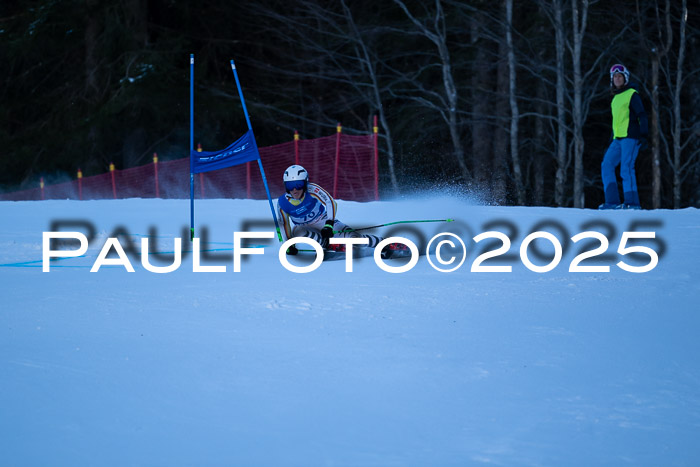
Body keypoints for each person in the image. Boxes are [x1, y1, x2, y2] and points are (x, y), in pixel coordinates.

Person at [278, 164, 402, 257]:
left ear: (305, 183)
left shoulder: (313, 190)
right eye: (290, 186)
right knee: (298, 231)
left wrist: (329, 224)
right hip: (306, 229)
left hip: (322, 221)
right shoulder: (282, 203)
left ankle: (386, 244)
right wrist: (289, 244)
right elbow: (284, 224)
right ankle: (327, 245)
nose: (294, 190)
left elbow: (330, 202)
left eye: (298, 184)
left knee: (353, 238)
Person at [599, 63, 648, 210]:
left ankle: (632, 203)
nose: (617, 79)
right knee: (606, 165)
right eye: (615, 77)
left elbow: (642, 115)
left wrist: (644, 134)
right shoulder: (615, 98)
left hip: (631, 137)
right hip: (618, 139)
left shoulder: (632, 94)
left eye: (620, 76)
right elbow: (618, 121)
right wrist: (612, 137)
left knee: (626, 168)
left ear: (625, 78)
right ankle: (612, 202)